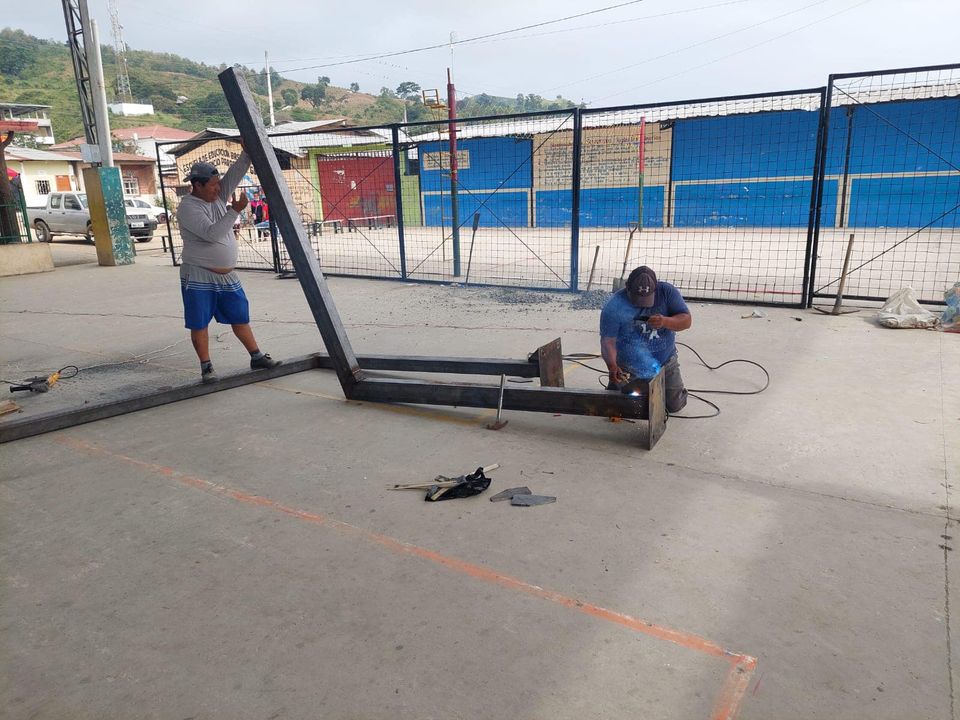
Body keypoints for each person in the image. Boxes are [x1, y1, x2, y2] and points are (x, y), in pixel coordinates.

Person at [176, 153, 281, 384]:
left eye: (218, 183)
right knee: (199, 322)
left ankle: (256, 356)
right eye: (213, 185)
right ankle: (206, 367)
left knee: (240, 316)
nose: (219, 188)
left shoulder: (217, 196)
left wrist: (247, 153)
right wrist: (235, 210)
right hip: (199, 274)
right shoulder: (188, 208)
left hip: (227, 276)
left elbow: (235, 174)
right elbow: (212, 234)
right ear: (197, 185)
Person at [599, 265, 692, 412]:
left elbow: (686, 321)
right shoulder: (614, 305)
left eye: (647, 299)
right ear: (627, 287)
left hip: (665, 362)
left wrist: (665, 321)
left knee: (674, 406)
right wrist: (612, 366)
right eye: (637, 298)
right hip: (628, 366)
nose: (642, 304)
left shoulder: (667, 292)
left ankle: (664, 388)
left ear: (655, 288)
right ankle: (638, 387)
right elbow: (608, 341)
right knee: (616, 405)